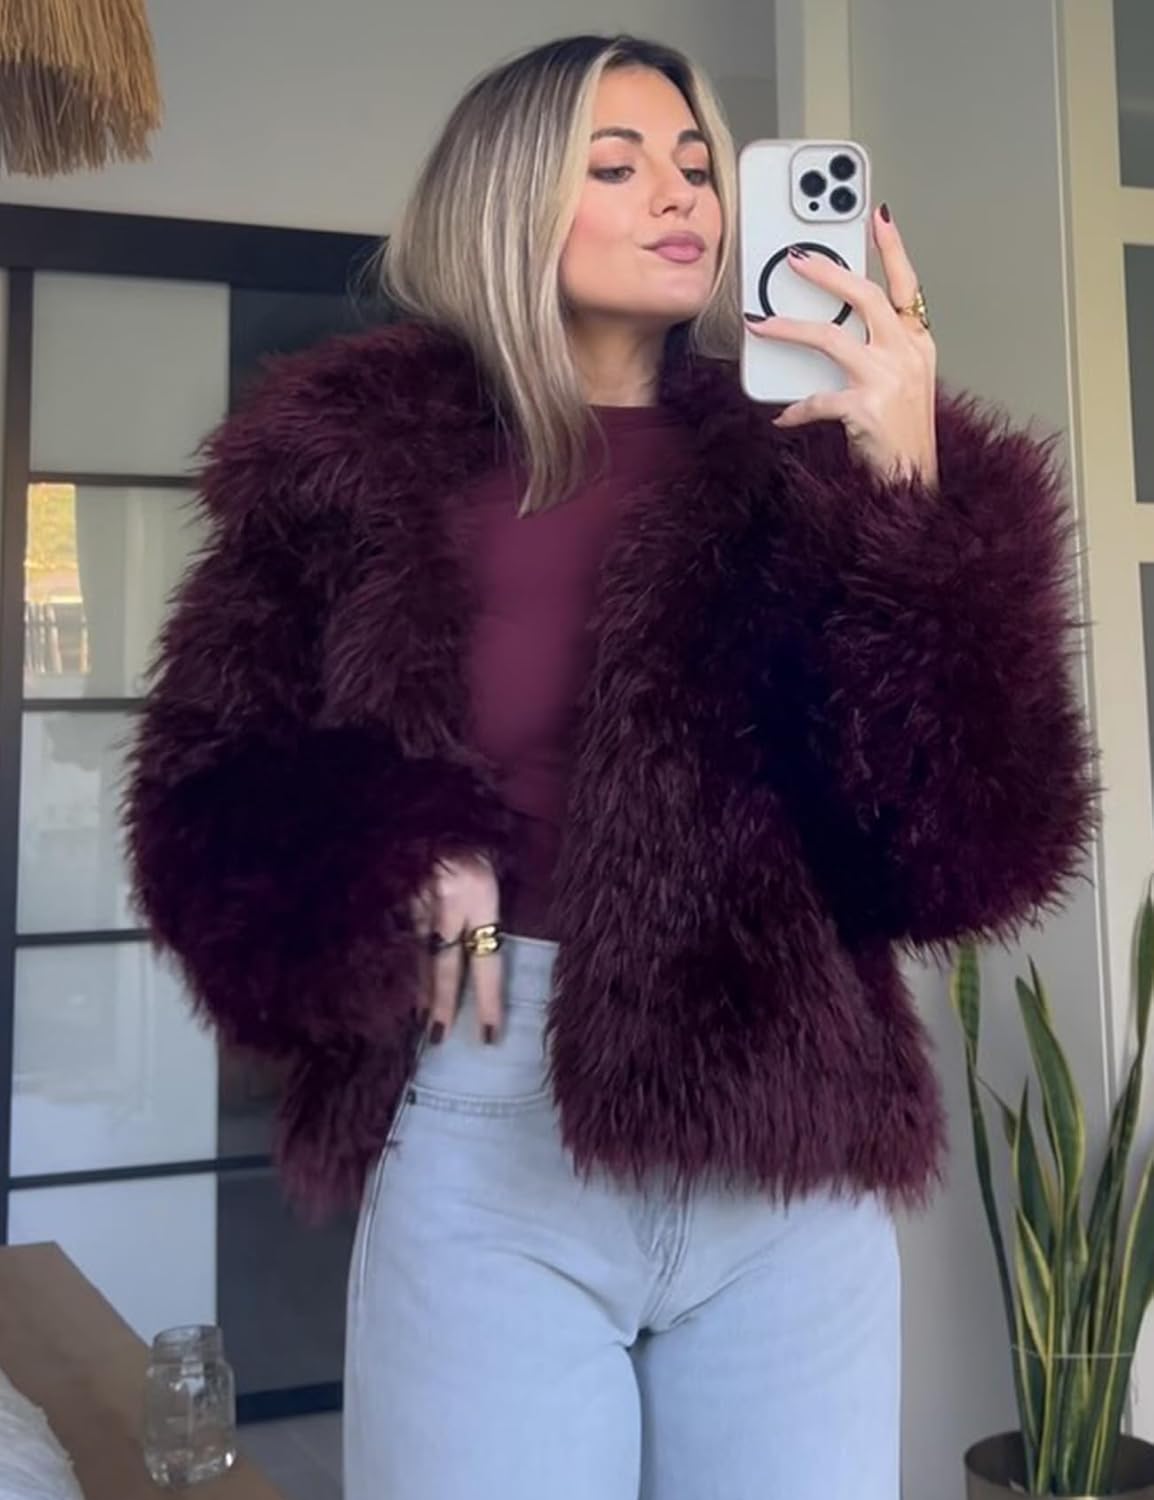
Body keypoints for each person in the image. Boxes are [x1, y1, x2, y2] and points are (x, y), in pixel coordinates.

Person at [125, 32, 1095, 1500]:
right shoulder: (349, 465)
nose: (681, 193)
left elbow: (973, 850)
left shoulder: (813, 458)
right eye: (617, 163)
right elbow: (207, 796)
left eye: (697, 164)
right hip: (489, 1104)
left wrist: (908, 492)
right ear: (509, 197)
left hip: (784, 1139)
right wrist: (399, 846)